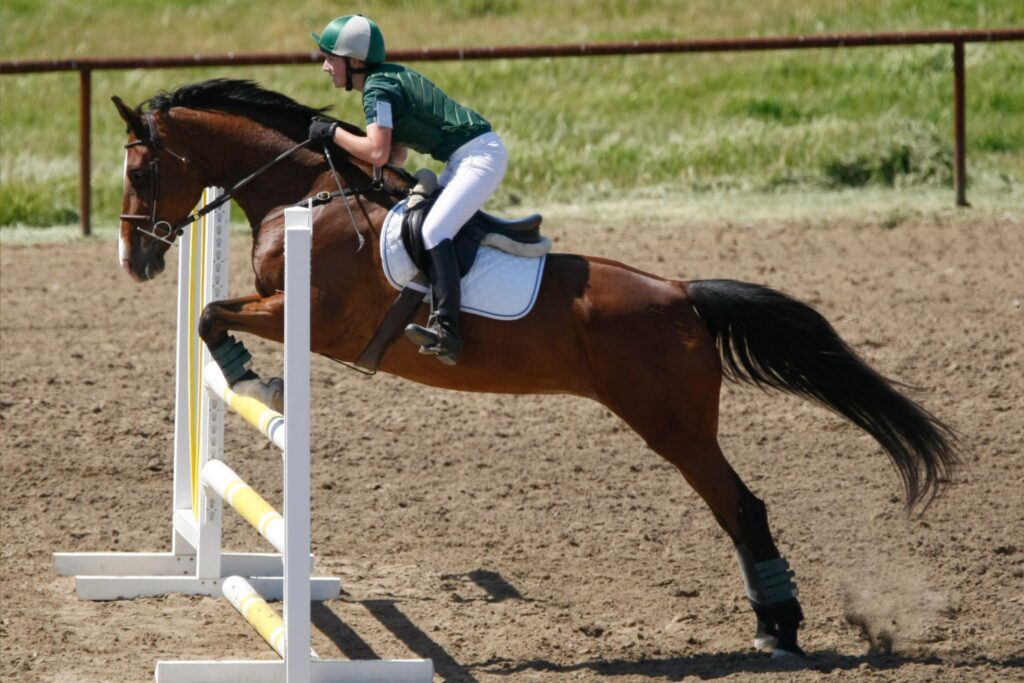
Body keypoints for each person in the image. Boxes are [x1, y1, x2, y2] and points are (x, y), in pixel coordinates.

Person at [309, 14, 507, 366]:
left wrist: (333, 133)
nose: (325, 67)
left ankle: (450, 331)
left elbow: (378, 153)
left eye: (330, 57)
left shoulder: (377, 89)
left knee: (433, 229)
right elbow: (395, 153)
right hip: (466, 157)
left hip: (477, 157)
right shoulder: (385, 79)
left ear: (355, 61)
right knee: (424, 223)